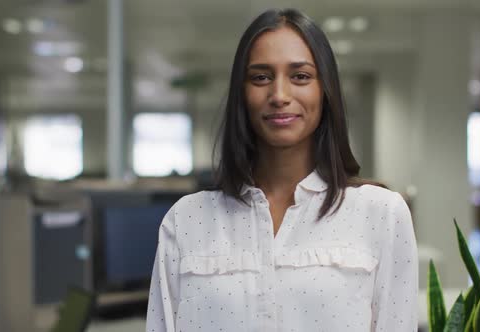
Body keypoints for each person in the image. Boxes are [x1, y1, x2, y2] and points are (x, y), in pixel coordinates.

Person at [146, 8, 418, 332]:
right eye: (261, 77)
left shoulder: (381, 214)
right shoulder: (186, 219)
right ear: (242, 94)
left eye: (300, 76)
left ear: (325, 89)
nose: (279, 95)